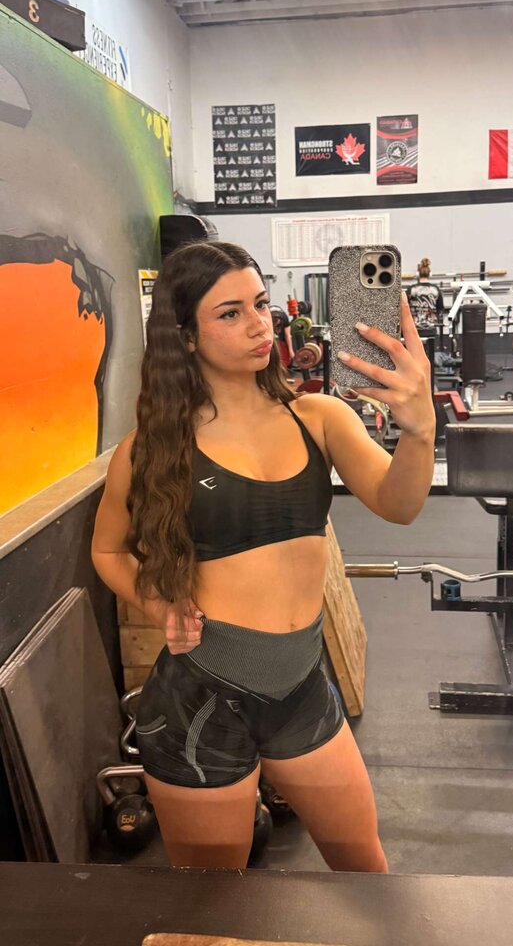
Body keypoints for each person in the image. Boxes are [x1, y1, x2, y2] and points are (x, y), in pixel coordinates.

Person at [91, 240, 435, 872]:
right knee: (215, 901)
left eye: (260, 303)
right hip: (200, 699)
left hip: (302, 690)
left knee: (366, 873)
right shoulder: (151, 449)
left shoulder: (318, 416)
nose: (259, 325)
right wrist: (158, 604)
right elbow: (108, 549)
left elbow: (400, 504)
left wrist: (420, 428)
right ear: (185, 336)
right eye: (230, 313)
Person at [406, 258, 444, 332]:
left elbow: (404, 307)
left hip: (414, 328)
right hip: (431, 328)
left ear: (418, 274)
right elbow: (440, 308)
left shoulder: (411, 289)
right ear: (430, 274)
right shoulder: (435, 290)